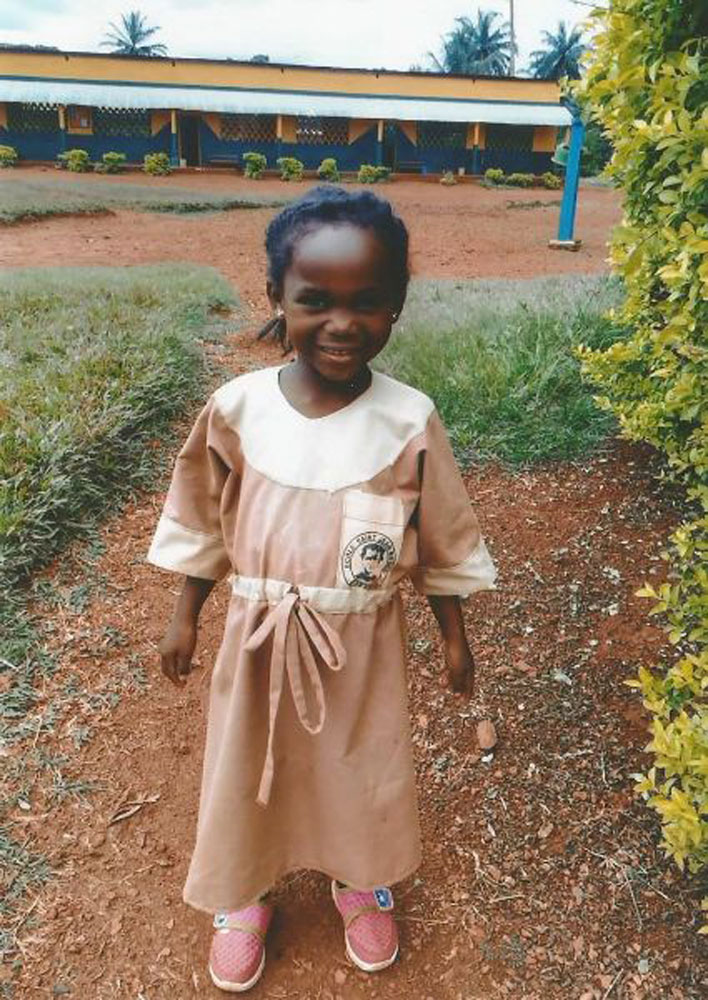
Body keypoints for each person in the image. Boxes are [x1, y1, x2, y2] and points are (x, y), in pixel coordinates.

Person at [147, 185, 496, 993]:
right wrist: (184, 618)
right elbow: (202, 520)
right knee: (248, 761)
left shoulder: (407, 420)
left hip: (362, 642)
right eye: (316, 301)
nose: (342, 323)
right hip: (259, 636)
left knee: (359, 764)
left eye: (367, 302)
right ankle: (245, 888)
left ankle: (359, 877)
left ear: (397, 304)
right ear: (277, 295)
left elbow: (440, 537)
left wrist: (454, 638)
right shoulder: (238, 410)